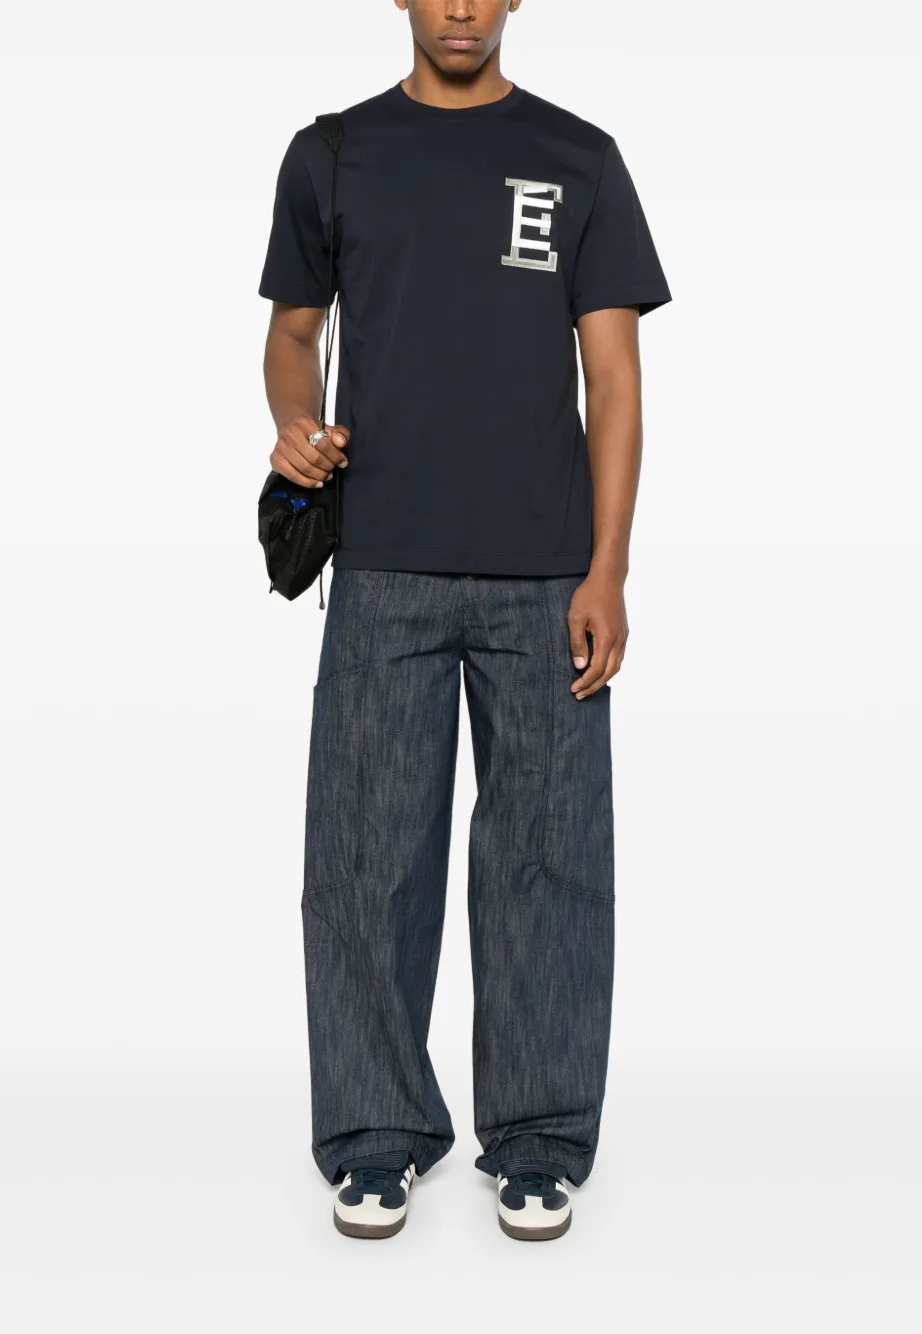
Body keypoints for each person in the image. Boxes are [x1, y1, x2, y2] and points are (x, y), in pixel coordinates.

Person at [258, 0, 670, 1242]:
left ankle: (538, 1138)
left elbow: (614, 378)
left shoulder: (579, 158)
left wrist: (608, 567)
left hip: (546, 572)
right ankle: (373, 1135)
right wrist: (293, 420)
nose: (458, 6)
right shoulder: (331, 154)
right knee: (364, 866)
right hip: (381, 563)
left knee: (548, 862)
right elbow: (292, 332)